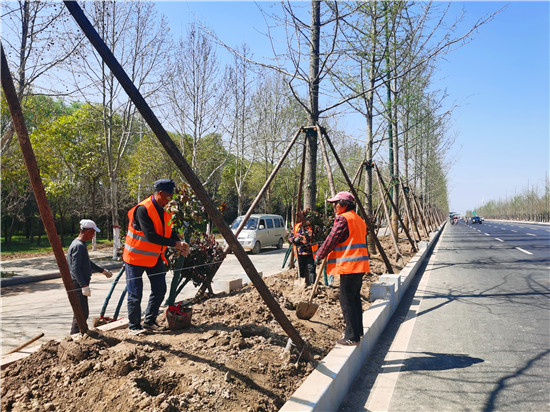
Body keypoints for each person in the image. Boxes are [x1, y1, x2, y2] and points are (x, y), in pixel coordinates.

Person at [122, 179, 190, 335]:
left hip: (153, 258)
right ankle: (134, 326)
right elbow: (151, 235)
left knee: (159, 289)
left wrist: (180, 243)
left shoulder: (165, 210)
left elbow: (168, 231)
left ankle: (149, 321)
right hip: (134, 259)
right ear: (160, 193)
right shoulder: (143, 209)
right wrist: (175, 244)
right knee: (135, 293)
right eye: (168, 195)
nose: (170, 198)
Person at [315, 191, 370, 346]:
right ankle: (357, 332)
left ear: (344, 205)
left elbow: (332, 239)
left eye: (336, 204)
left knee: (346, 300)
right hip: (359, 265)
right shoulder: (358, 219)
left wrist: (319, 254)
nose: (334, 207)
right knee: (354, 298)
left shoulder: (343, 219)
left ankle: (351, 337)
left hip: (350, 265)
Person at [67, 219, 113, 334]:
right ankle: (75, 335)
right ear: (88, 232)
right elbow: (75, 268)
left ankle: (78, 334)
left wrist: (102, 271)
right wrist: (83, 285)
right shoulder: (78, 246)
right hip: (77, 284)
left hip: (79, 283)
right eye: (93, 233)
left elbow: (87, 262)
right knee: (81, 313)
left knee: (81, 312)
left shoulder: (80, 244)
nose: (93, 236)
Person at [288, 210, 317, 285]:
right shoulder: (297, 227)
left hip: (310, 253)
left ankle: (312, 284)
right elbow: (290, 237)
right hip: (300, 253)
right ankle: (301, 284)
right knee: (300, 270)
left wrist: (304, 238)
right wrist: (294, 240)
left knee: (311, 269)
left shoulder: (310, 227)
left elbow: (312, 238)